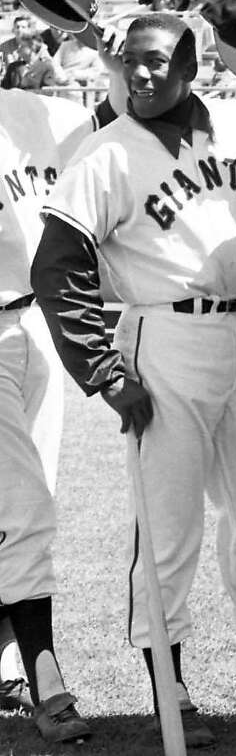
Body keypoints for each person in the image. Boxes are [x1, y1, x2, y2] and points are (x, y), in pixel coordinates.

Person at [30, 9, 236, 748]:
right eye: (132, 62)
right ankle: (168, 684)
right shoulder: (107, 152)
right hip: (161, 331)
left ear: (191, 67)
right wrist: (105, 373)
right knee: (170, 527)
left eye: (158, 62)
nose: (141, 74)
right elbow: (57, 266)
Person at [0, 81, 103, 745]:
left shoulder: (46, 113)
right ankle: (47, 685)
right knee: (26, 510)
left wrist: (97, 34)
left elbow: (127, 117)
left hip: (34, 324)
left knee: (26, 509)